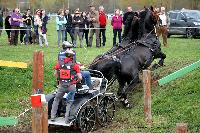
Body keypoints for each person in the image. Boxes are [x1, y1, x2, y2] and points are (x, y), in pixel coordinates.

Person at [51, 48, 82, 123]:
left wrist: (60, 79)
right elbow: (80, 77)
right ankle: (66, 119)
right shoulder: (75, 65)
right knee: (69, 102)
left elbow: (55, 74)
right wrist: (75, 81)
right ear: (72, 57)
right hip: (71, 86)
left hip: (61, 85)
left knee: (56, 99)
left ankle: (52, 116)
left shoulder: (59, 64)